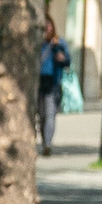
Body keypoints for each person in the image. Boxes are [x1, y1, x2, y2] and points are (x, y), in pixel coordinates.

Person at [37, 18, 72, 155]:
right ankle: (45, 140)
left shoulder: (59, 43)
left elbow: (67, 61)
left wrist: (62, 58)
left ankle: (48, 144)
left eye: (49, 26)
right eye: (44, 26)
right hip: (39, 82)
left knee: (50, 114)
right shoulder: (38, 44)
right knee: (42, 115)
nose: (47, 29)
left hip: (52, 82)